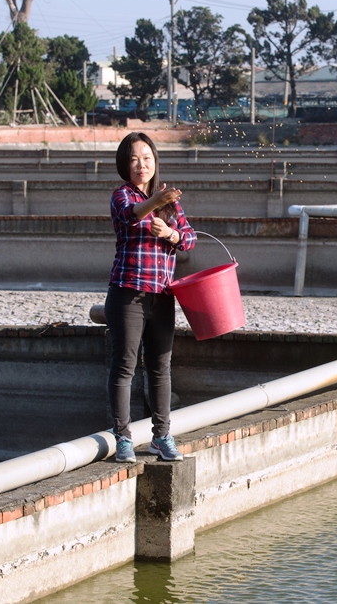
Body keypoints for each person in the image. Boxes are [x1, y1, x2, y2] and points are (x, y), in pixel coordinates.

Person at [105, 131, 195, 462]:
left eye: (146, 158)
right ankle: (123, 438)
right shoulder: (122, 196)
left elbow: (189, 238)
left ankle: (162, 436)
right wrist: (157, 204)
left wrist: (170, 232)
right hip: (128, 293)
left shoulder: (170, 202)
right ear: (124, 165)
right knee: (124, 366)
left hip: (162, 296)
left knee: (160, 367)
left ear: (155, 162)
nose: (141, 165)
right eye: (133, 159)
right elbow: (132, 215)